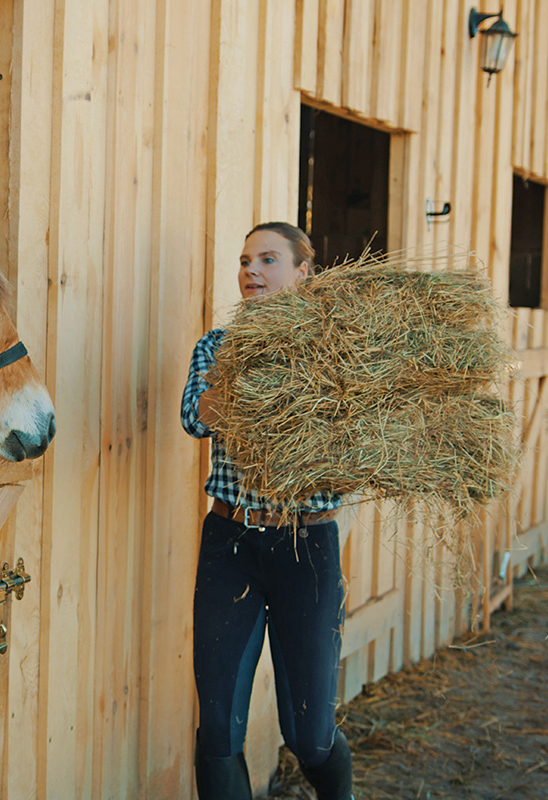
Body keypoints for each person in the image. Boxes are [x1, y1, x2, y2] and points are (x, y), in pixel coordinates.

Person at [181, 222, 354, 800]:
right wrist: (261, 382)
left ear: (304, 272)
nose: (250, 270)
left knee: (309, 736)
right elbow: (198, 416)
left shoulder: (340, 350)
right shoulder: (217, 345)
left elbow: (352, 441)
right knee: (217, 731)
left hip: (307, 550)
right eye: (245, 260)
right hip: (230, 543)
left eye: (268, 259)